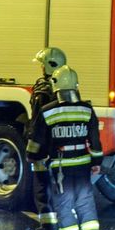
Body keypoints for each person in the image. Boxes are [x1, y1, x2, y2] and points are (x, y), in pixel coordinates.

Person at [26, 65, 103, 230]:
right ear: (76, 85)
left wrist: (32, 156)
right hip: (83, 165)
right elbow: (95, 141)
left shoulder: (48, 111)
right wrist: (96, 163)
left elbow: (37, 142)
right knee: (85, 203)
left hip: (61, 169)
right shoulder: (86, 110)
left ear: (56, 86)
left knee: (64, 205)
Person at [28, 47, 68, 219]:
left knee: (42, 191)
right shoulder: (65, 90)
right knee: (58, 188)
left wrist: (32, 150)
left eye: (42, 65)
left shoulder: (42, 92)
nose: (41, 69)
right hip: (59, 147)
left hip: (44, 149)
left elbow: (38, 123)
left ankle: (47, 229)